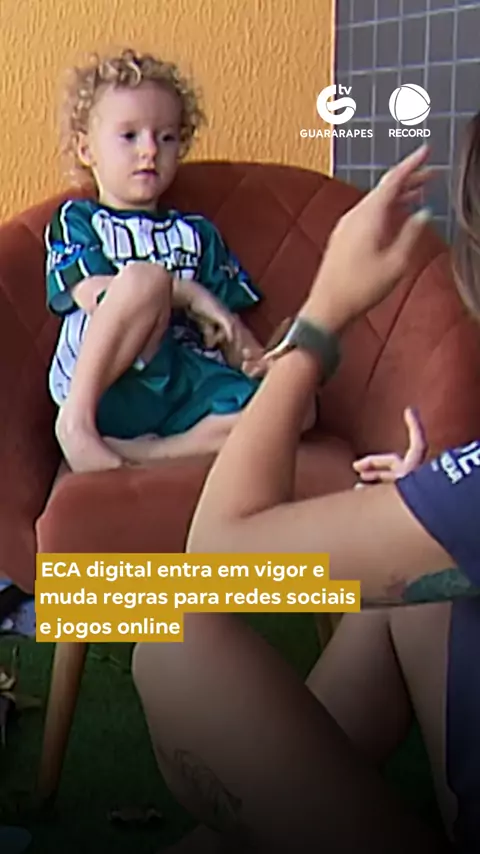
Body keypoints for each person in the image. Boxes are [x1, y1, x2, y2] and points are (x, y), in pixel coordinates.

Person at [131, 139, 480, 854]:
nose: (150, 154)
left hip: (205, 494)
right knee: (419, 600)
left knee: (166, 630)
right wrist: (424, 503)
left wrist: (322, 318)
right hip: (134, 451)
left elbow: (214, 560)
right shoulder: (86, 240)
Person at [46, 49, 308, 474]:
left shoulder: (198, 235)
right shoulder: (78, 220)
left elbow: (226, 329)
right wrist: (187, 292)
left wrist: (261, 361)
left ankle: (146, 453)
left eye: (166, 137)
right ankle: (75, 426)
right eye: (129, 136)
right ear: (86, 149)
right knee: (145, 280)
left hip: (182, 386)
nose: (150, 150)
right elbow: (95, 295)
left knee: (296, 407)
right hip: (108, 384)